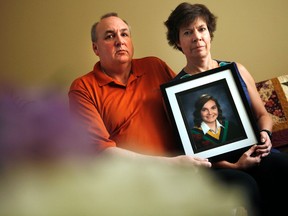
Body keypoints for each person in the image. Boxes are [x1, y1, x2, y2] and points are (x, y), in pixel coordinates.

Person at [69, 12, 260, 215]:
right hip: (139, 181)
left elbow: (189, 107)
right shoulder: (83, 88)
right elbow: (103, 154)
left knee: (244, 184)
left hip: (188, 169)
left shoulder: (154, 65)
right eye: (109, 36)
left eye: (124, 34)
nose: (119, 41)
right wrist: (172, 163)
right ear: (95, 48)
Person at [164, 3, 288, 216]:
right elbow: (192, 152)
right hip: (216, 167)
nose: (196, 37)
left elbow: (262, 115)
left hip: (255, 151)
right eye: (187, 32)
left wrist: (265, 134)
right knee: (246, 186)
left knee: (282, 165)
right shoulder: (177, 92)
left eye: (201, 29)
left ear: (209, 33)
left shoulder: (237, 69)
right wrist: (235, 166)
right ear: (178, 42)